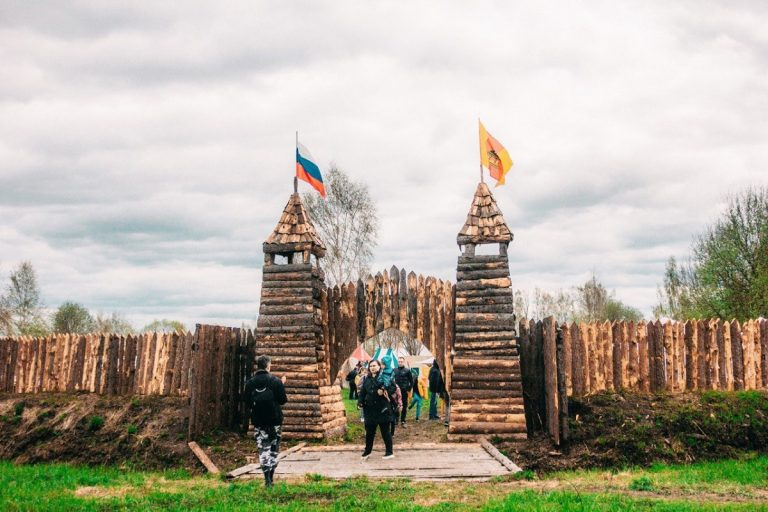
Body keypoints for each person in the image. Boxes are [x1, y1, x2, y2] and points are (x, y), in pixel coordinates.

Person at [243, 355, 287, 487]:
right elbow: (283, 401)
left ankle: (266, 478)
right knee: (274, 447)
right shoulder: (275, 381)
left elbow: (247, 402)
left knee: (263, 448)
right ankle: (271, 478)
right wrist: (281, 384)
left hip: (259, 421)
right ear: (268, 366)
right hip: (275, 421)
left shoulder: (250, 383)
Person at [357, 359, 396, 460]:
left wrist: (383, 390)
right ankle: (367, 451)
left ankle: (389, 452)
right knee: (369, 432)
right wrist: (360, 402)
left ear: (379, 367)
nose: (372, 368)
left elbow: (394, 388)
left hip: (382, 409)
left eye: (374, 366)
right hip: (369, 410)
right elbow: (362, 392)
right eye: (371, 366)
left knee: (385, 432)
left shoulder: (384, 377)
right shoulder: (367, 378)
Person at [393, 357, 414, 428]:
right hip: (396, 391)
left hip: (404, 391)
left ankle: (403, 420)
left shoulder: (407, 371)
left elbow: (411, 381)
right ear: (397, 362)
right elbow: (391, 379)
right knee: (396, 405)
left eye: (401, 361)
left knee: (404, 406)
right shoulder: (394, 370)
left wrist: (409, 389)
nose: (400, 363)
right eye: (399, 361)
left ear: (403, 362)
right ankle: (396, 419)